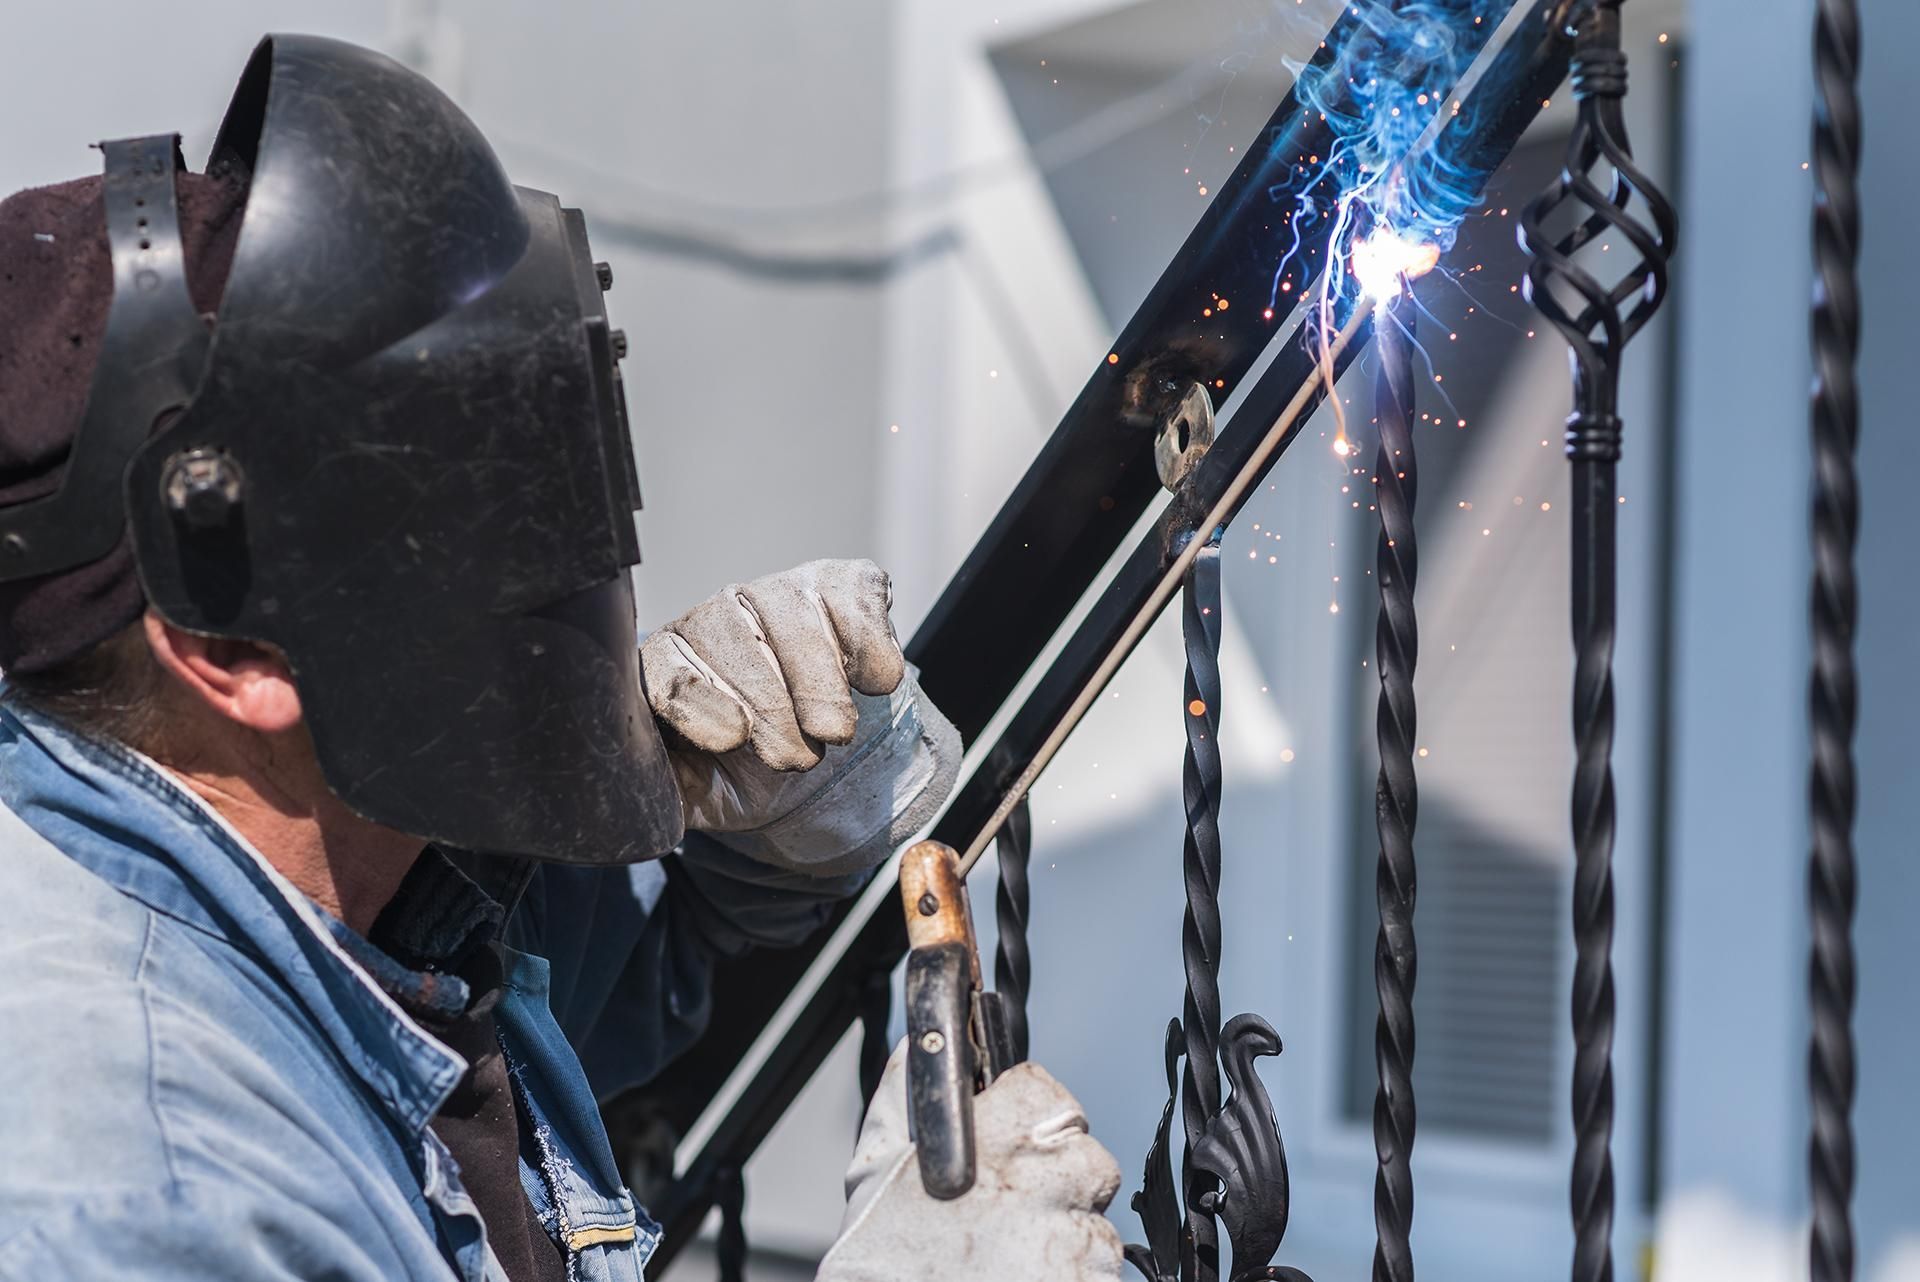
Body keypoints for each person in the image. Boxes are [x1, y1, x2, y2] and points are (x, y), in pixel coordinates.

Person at [0, 33, 1124, 1282]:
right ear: (229, 646)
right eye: (471, 499)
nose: (535, 549)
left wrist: (768, 814)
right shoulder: (139, 1183)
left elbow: (619, 958)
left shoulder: (359, 877)